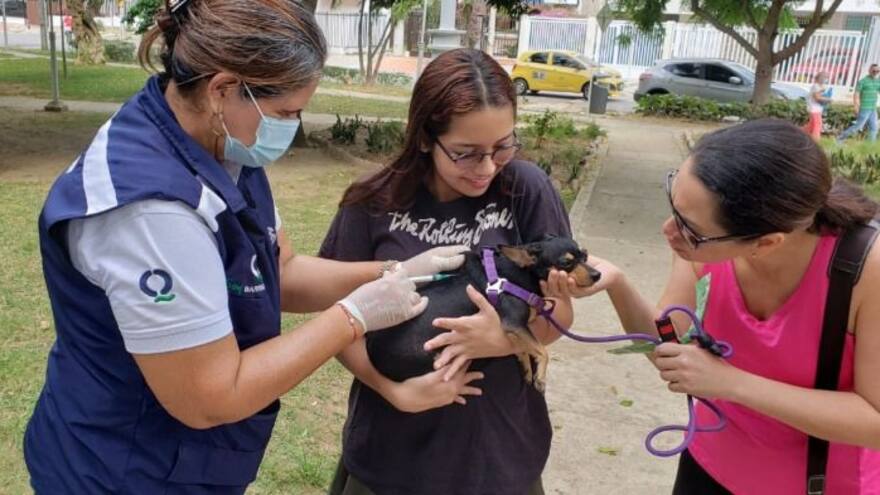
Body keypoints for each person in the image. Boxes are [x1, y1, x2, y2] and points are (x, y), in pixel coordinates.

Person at [23, 1, 467, 493]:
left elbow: (283, 271)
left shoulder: (218, 141)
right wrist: (352, 317)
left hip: (181, 463)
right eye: (286, 112)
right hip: (122, 469)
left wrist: (393, 271)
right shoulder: (149, 212)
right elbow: (211, 396)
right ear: (223, 89)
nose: (292, 127)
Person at [320, 48, 577, 495]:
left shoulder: (526, 191)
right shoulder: (371, 204)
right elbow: (336, 324)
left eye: (503, 146)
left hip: (499, 453)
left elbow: (561, 312)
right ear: (424, 138)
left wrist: (502, 340)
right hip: (392, 455)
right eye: (466, 153)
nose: (488, 167)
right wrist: (392, 390)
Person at [573, 119, 880, 493]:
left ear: (766, 243)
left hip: (815, 484)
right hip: (707, 467)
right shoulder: (700, 247)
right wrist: (617, 283)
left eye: (690, 228)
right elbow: (668, 344)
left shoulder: (864, 270)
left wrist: (732, 383)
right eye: (674, 203)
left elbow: (874, 419)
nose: (668, 229)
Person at [837, 63, 880, 143]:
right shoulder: (863, 81)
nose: (876, 72)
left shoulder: (878, 82)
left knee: (874, 128)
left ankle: (871, 146)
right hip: (864, 108)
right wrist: (856, 107)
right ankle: (840, 139)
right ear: (869, 70)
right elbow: (856, 95)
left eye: (878, 71)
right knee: (858, 127)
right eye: (874, 70)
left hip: (873, 109)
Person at [804, 72, 831, 141]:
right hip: (814, 109)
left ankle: (800, 134)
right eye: (825, 77)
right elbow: (817, 97)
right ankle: (815, 141)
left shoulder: (819, 86)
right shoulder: (815, 86)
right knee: (817, 125)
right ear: (820, 78)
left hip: (816, 108)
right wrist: (828, 99)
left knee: (811, 125)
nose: (826, 79)